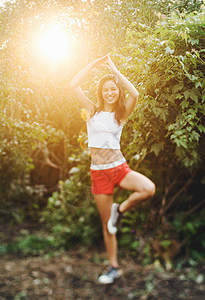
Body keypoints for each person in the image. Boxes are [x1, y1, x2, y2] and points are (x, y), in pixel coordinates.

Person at [70, 54, 156, 284]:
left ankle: (121, 210)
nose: (110, 92)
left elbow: (135, 94)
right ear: (101, 92)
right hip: (99, 173)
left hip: (119, 168)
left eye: (113, 89)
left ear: (117, 91)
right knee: (107, 226)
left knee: (148, 188)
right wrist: (93, 64)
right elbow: (73, 85)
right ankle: (113, 267)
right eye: (106, 89)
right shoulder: (92, 111)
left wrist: (115, 71)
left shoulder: (121, 115)